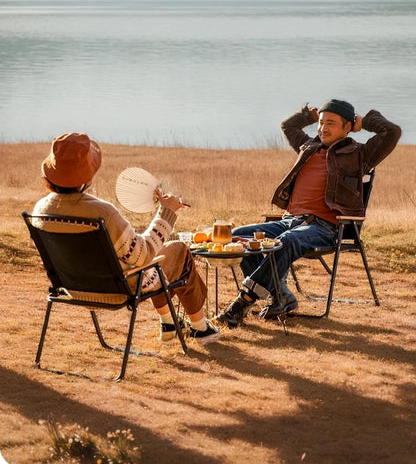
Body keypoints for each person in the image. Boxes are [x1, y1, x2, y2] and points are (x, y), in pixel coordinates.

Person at [216, 99, 402, 328]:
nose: (323, 128)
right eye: (321, 123)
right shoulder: (308, 147)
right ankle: (280, 295)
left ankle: (241, 303)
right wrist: (309, 116)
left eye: (330, 123)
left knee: (285, 242)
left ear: (347, 127)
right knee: (240, 235)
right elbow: (288, 126)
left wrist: (363, 123)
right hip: (289, 222)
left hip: (326, 227)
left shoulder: (359, 154)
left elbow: (392, 131)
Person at [33, 132, 221, 346]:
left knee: (159, 261)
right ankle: (201, 329)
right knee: (178, 251)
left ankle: (169, 324)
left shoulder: (40, 210)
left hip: (70, 287)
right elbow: (143, 255)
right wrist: (166, 213)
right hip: (117, 289)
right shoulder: (102, 213)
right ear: (88, 175)